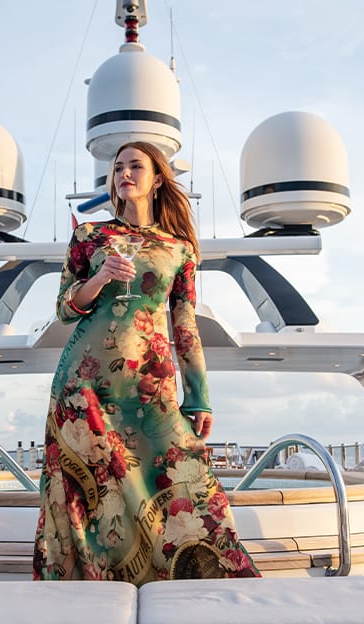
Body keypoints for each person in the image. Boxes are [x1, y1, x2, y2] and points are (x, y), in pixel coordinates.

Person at [32, 141, 260, 584]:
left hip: (150, 387)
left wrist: (199, 400)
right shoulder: (89, 238)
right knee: (88, 495)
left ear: (158, 179)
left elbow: (185, 327)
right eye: (118, 167)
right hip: (83, 388)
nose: (124, 173)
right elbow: (64, 308)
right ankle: (93, 593)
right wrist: (99, 278)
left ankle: (203, 585)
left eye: (136, 166)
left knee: (189, 480)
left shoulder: (179, 249)